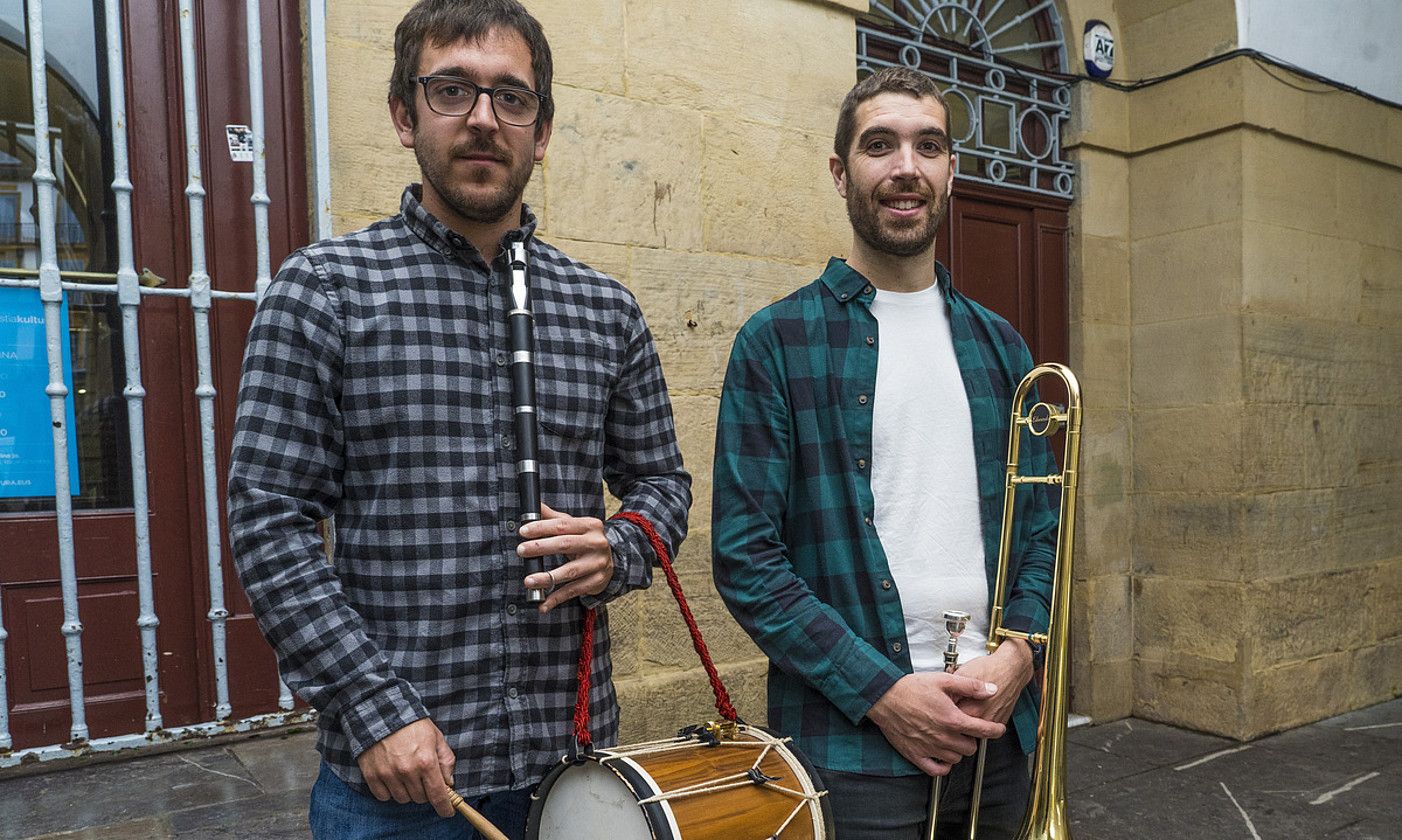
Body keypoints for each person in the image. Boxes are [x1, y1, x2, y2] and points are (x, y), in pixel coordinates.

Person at [227, 2, 690, 838]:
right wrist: (372, 708)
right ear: (406, 115)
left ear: (541, 132)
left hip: (573, 772)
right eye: (453, 91)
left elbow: (663, 483)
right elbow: (270, 523)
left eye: (512, 98)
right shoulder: (325, 290)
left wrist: (618, 548)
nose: (484, 118)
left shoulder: (604, 310)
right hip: (399, 783)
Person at [711, 66, 1059, 840]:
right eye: (880, 145)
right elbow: (746, 559)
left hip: (999, 730)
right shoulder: (776, 342)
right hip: (854, 746)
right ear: (842, 172)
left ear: (950, 173)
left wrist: (1019, 654)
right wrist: (882, 692)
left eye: (927, 146)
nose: (906, 167)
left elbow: (1040, 529)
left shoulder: (1001, 346)